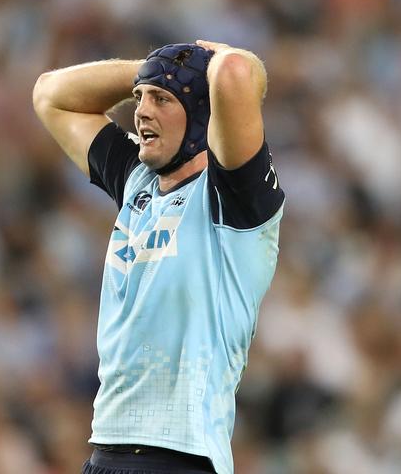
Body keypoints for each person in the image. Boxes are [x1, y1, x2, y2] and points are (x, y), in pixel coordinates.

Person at [32, 40, 285, 474]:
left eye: (162, 99)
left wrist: (197, 60)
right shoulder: (138, 180)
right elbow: (50, 95)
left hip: (181, 456)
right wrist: (156, 70)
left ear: (203, 117)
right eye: (139, 97)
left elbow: (236, 73)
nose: (141, 111)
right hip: (107, 450)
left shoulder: (236, 198)